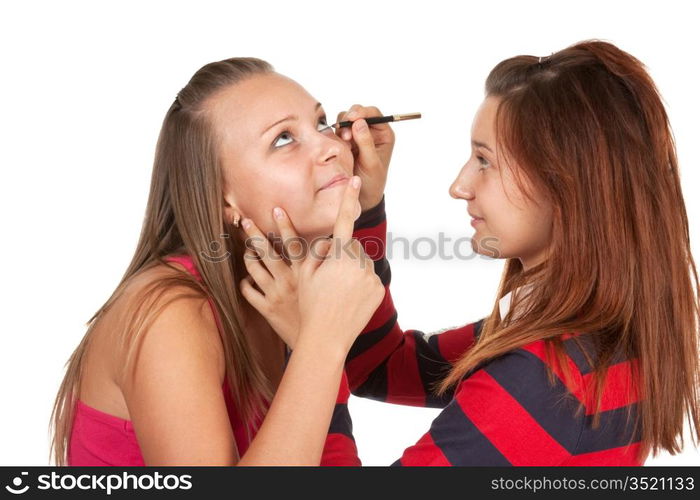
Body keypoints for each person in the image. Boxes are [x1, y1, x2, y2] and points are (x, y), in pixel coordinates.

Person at [245, 40, 700, 465]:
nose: (459, 186)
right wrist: (365, 207)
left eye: (485, 161)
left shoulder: (548, 379)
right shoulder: (568, 334)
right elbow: (382, 367)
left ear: (569, 188)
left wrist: (312, 348)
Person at [50, 57, 388, 465]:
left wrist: (365, 210)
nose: (333, 147)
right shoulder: (169, 315)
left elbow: (382, 367)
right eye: (283, 139)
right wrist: (319, 346)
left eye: (320, 123)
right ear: (222, 197)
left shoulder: (288, 288)